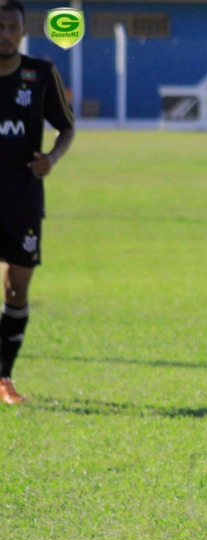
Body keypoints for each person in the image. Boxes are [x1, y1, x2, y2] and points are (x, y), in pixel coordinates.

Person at [0, 0, 75, 405]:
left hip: (22, 200)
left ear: (23, 31)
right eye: (0, 26)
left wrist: (53, 159)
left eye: (12, 27)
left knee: (16, 289)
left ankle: (3, 377)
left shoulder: (40, 75)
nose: (5, 34)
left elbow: (66, 127)